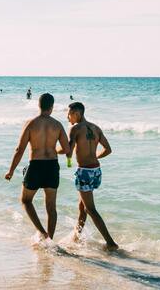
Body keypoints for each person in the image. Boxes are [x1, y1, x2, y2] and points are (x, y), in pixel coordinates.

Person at [5, 93, 70, 242]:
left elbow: (19, 150)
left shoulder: (30, 123)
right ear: (52, 107)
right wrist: (54, 150)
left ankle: (42, 232)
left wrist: (11, 171)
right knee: (51, 207)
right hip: (52, 166)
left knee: (25, 200)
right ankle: (50, 241)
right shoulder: (58, 125)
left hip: (35, 165)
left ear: (38, 105)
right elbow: (67, 149)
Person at [62, 101, 118, 250]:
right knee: (82, 208)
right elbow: (108, 149)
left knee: (90, 209)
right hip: (96, 171)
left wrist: (55, 151)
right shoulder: (96, 128)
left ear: (76, 114)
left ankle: (110, 242)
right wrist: (94, 157)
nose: (67, 118)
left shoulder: (75, 129)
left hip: (84, 172)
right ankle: (76, 236)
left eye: (68, 114)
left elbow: (68, 151)